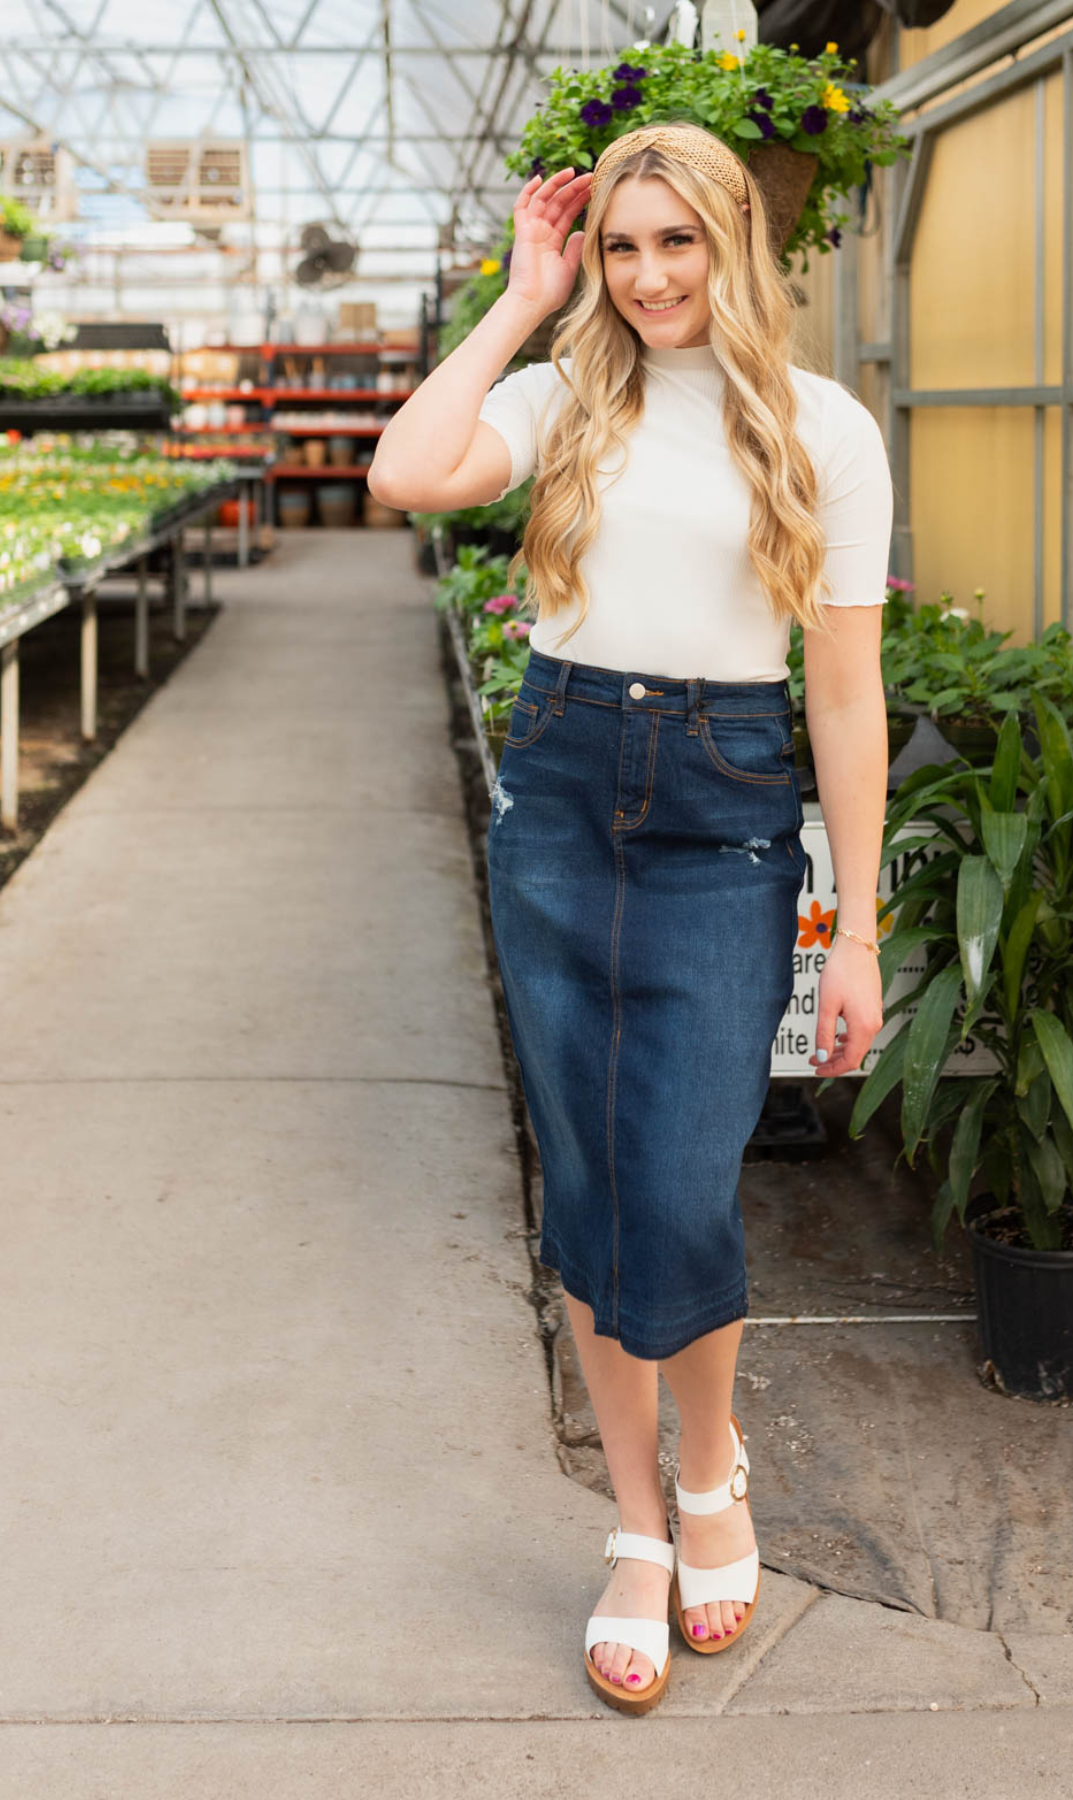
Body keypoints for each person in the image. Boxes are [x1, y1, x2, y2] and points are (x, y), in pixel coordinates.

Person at [369, 121, 893, 1717]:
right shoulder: (561, 397)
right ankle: (642, 1527)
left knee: (677, 1178)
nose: (650, 275)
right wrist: (521, 302)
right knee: (595, 1173)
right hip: (564, 796)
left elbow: (848, 691)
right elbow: (404, 474)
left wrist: (855, 927)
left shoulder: (821, 430)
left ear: (736, 247)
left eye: (677, 242)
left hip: (725, 820)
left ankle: (716, 1462)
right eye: (622, 246)